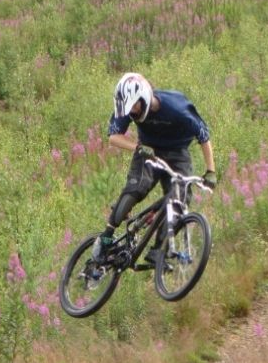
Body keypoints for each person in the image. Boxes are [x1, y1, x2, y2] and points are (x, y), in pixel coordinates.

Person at [92, 72, 217, 264]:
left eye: (134, 106)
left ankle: (158, 250)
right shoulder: (127, 107)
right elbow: (113, 137)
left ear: (144, 97)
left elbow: (203, 136)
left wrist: (211, 171)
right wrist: (138, 148)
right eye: (128, 108)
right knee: (137, 188)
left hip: (178, 153)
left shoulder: (177, 107)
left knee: (179, 199)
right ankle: (107, 236)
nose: (132, 111)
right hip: (148, 150)